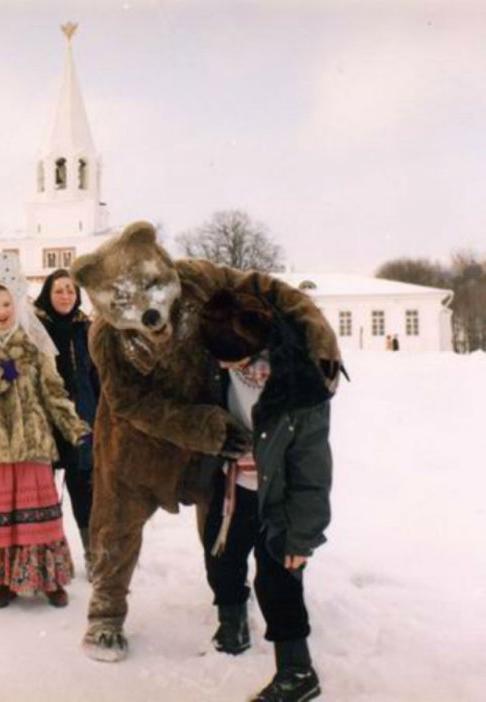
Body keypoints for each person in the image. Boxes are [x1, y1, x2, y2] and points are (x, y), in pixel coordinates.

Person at [199, 289, 336, 702]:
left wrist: (301, 538)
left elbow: (312, 473)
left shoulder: (300, 385)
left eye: (230, 357)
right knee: (220, 556)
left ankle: (297, 671)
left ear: (256, 345)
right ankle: (232, 622)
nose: (222, 365)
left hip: (280, 494)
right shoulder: (223, 364)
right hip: (233, 486)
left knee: (278, 578)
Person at [0, 245, 90, 609]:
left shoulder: (32, 344)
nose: (1, 311)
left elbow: (54, 390)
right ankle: (6, 581)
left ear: (16, 305)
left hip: (34, 442)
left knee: (42, 516)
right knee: (2, 518)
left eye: (6, 304)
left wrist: (74, 426)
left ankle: (51, 579)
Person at [33, 269, 100, 576]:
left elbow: (97, 375)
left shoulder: (86, 328)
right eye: (59, 290)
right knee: (42, 492)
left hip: (80, 416)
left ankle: (92, 552)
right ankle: (48, 555)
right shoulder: (34, 326)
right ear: (48, 293)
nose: (65, 296)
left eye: (70, 291)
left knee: (83, 487)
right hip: (43, 419)